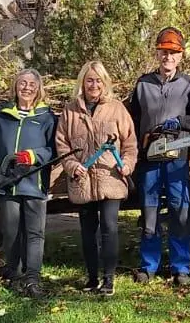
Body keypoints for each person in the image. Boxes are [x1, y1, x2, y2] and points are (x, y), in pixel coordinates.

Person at [124, 27, 190, 286]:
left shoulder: (188, 84)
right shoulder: (143, 84)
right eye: (164, 52)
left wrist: (181, 122)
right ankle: (148, 265)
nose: (168, 57)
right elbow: (131, 121)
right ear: (157, 53)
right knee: (149, 214)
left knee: (179, 212)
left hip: (177, 158)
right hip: (149, 160)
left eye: (173, 52)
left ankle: (180, 267)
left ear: (180, 55)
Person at [55, 60, 138, 297]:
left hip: (110, 179)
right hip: (83, 182)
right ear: (83, 82)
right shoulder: (70, 111)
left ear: (105, 83)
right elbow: (62, 145)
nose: (94, 85)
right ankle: (92, 278)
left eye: (98, 80)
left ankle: (108, 280)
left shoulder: (116, 108)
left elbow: (130, 144)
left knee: (109, 227)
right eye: (89, 80)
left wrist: (127, 164)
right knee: (88, 231)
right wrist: (72, 166)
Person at [0, 69, 56, 299]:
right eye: (22, 83)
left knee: (35, 233)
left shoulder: (47, 117)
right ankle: (14, 276)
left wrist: (33, 156)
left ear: (38, 89)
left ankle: (33, 279)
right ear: (15, 86)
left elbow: (54, 149)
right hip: (7, 183)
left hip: (34, 183)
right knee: (11, 230)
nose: (27, 88)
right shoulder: (1, 115)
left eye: (32, 84)